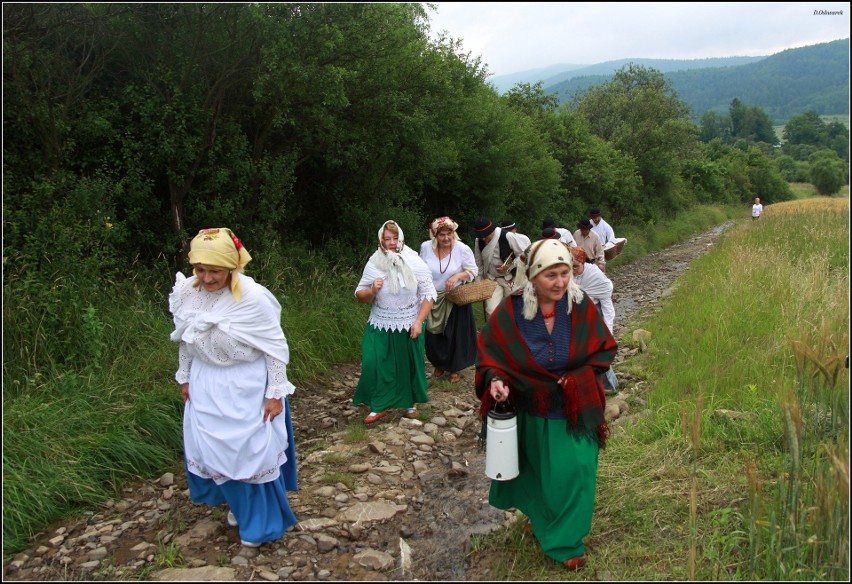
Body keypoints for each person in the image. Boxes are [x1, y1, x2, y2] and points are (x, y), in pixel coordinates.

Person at [475, 238, 617, 571]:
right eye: (551, 276)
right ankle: (542, 518)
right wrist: (497, 380)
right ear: (533, 277)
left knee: (575, 471)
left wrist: (579, 375)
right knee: (537, 474)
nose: (560, 283)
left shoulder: (580, 305)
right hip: (531, 406)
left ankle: (566, 542)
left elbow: (603, 350)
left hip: (574, 405)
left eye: (565, 274)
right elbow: (491, 354)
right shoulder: (511, 311)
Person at [169, 227, 298, 549]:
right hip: (205, 381)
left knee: (249, 453)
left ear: (232, 267)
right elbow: (186, 335)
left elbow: (274, 347)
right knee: (212, 449)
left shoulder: (253, 299)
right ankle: (237, 506)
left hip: (246, 384)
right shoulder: (188, 291)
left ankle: (261, 523)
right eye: (200, 269)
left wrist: (274, 394)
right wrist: (184, 376)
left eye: (215, 271)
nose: (207, 278)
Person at [354, 220, 437, 424]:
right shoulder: (374, 262)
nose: (391, 243)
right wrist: (372, 291)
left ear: (401, 238)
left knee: (407, 364)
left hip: (409, 322)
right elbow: (359, 294)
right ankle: (379, 405)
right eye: (386, 239)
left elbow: (428, 293)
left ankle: (409, 404)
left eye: (394, 238)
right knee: (374, 364)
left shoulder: (414, 261)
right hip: (380, 323)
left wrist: (419, 321)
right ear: (380, 241)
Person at [420, 216, 478, 383]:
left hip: (455, 297)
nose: (446, 238)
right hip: (432, 296)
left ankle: (455, 367)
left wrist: (458, 275)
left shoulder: (462, 249)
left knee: (455, 334)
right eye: (442, 235)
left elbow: (473, 271)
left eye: (449, 234)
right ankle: (439, 363)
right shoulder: (425, 248)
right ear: (434, 235)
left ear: (454, 233)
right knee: (433, 333)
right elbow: (420, 269)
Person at [471, 217, 531, 319]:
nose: (483, 239)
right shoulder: (479, 240)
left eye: (485, 236)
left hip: (511, 278)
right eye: (481, 236)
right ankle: (496, 334)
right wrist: (479, 281)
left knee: (515, 310)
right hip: (491, 279)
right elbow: (478, 262)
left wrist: (508, 267)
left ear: (492, 230)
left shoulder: (507, 236)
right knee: (491, 310)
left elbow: (523, 255)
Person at [569, 247, 614, 333]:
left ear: (583, 263)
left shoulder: (595, 275)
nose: (572, 270)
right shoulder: (564, 275)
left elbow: (607, 308)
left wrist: (609, 333)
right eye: (569, 266)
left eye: (575, 266)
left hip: (593, 312)